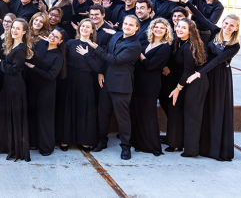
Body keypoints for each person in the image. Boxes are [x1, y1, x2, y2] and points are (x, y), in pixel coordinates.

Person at [180, 0, 240, 161]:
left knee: (216, 110)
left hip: (220, 78)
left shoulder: (235, 45)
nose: (227, 27)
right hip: (207, 74)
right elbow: (200, 17)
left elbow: (218, 60)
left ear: (236, 28)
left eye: (231, 25)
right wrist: (186, 2)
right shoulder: (215, 31)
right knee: (205, 109)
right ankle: (203, 146)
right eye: (226, 23)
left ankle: (217, 149)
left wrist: (198, 73)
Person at [88, 15, 142, 160]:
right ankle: (102, 141)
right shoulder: (117, 35)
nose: (127, 26)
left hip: (122, 85)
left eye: (131, 25)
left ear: (137, 28)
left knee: (122, 118)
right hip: (106, 81)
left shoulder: (135, 46)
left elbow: (115, 59)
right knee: (103, 113)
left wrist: (96, 48)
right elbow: (108, 58)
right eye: (125, 23)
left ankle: (126, 147)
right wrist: (100, 72)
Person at [0, 18, 33, 161]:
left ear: (24, 32)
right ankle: (8, 146)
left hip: (15, 85)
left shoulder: (20, 48)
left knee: (14, 116)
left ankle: (16, 149)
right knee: (6, 115)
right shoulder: (14, 44)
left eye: (18, 28)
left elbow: (15, 69)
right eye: (13, 27)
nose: (14, 30)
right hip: (8, 84)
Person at [58, 19, 102, 152]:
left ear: (92, 30)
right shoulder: (71, 43)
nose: (84, 28)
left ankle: (85, 140)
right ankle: (66, 139)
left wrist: (86, 54)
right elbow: (62, 60)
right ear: (79, 28)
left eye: (88, 27)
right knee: (68, 108)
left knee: (84, 109)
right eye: (82, 26)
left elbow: (97, 67)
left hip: (86, 80)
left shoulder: (94, 46)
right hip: (70, 79)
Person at [130, 18, 172, 157]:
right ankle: (138, 143)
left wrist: (139, 53)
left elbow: (150, 65)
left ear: (166, 31)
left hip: (150, 84)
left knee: (148, 114)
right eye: (156, 27)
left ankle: (152, 146)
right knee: (136, 112)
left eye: (162, 28)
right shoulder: (146, 42)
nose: (158, 30)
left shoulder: (165, 47)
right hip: (138, 82)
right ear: (152, 28)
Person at [166, 17, 206, 157]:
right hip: (184, 81)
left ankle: (191, 150)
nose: (179, 29)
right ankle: (176, 143)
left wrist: (177, 89)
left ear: (190, 31)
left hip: (194, 83)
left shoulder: (189, 47)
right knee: (175, 109)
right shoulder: (180, 42)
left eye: (184, 28)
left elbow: (189, 71)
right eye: (178, 26)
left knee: (191, 116)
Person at [25, 27, 65, 155]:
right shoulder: (40, 44)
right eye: (52, 34)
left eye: (56, 37)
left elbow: (51, 76)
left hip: (46, 89)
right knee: (33, 114)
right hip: (33, 85)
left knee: (44, 118)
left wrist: (34, 68)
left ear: (60, 41)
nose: (52, 37)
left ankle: (46, 147)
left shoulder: (58, 56)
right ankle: (34, 143)